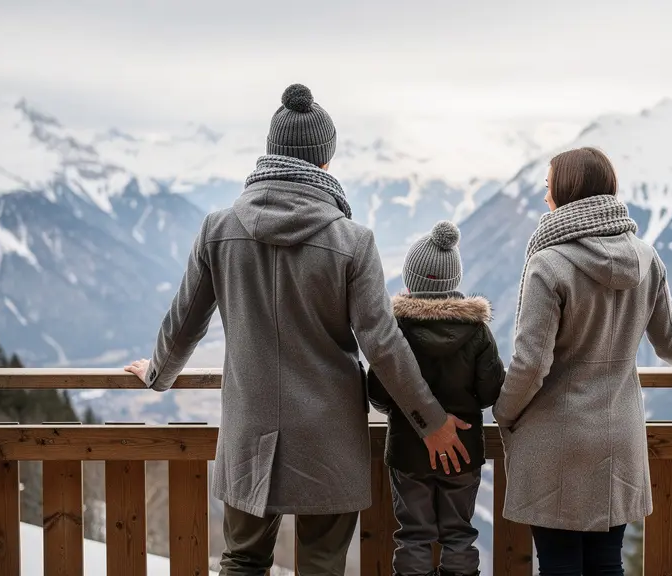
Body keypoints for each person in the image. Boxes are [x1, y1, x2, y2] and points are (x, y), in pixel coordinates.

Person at [124, 83, 473, 576]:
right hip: (329, 439)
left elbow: (184, 323)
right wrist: (432, 420)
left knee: (242, 561)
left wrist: (157, 375)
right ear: (325, 161)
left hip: (249, 433)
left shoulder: (218, 228)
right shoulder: (352, 241)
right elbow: (383, 344)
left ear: (270, 152)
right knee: (323, 565)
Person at [492, 147, 672, 576]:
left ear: (566, 193)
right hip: (617, 440)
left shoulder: (548, 264)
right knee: (606, 564)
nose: (545, 198)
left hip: (556, 442)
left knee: (559, 565)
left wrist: (504, 412)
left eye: (549, 188)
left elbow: (531, 364)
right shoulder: (645, 258)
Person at [368, 220, 506, 576]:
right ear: (454, 281)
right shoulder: (477, 331)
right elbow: (492, 391)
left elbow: (379, 393)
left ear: (409, 279)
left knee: (413, 535)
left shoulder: (393, 330)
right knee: (460, 534)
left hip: (407, 449)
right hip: (463, 449)